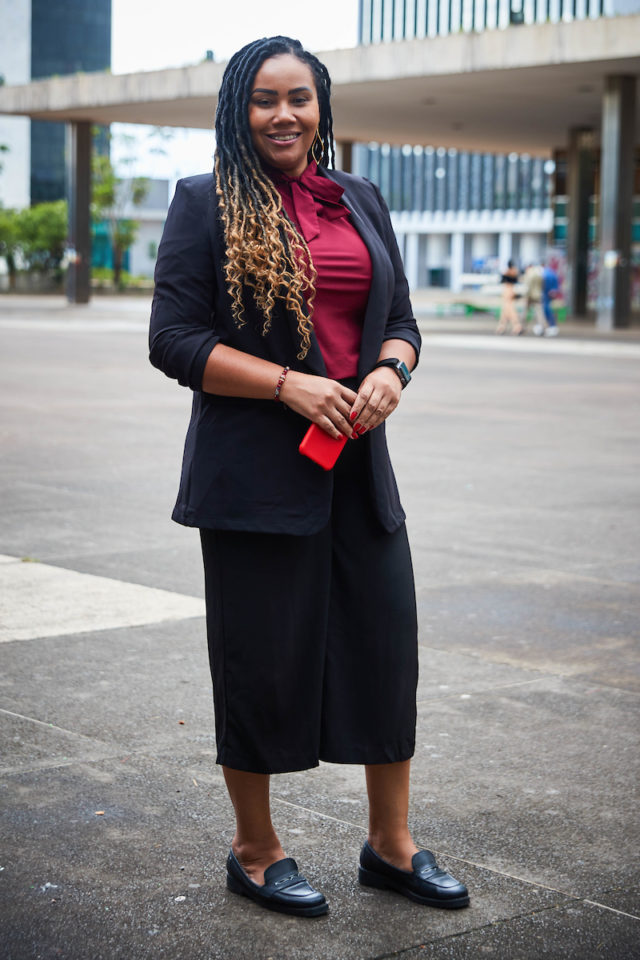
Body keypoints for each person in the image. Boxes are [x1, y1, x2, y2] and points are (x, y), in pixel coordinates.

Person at [149, 35, 469, 919]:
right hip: (253, 478)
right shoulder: (204, 203)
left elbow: (400, 317)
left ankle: (391, 846)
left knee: (384, 649)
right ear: (236, 111)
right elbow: (172, 341)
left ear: (321, 106)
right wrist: (288, 385)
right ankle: (256, 851)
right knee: (261, 660)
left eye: (298, 97)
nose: (282, 114)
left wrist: (390, 371)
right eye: (262, 99)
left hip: (358, 467)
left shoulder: (358, 197)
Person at [533, 262, 561, 337]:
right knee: (546, 309)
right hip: (550, 293)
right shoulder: (550, 272)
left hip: (546, 294)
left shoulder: (545, 274)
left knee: (546, 309)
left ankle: (550, 326)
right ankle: (548, 326)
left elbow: (544, 286)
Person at [495, 259, 522, 335]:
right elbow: (517, 281)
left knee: (509, 310)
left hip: (507, 290)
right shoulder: (515, 272)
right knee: (506, 310)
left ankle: (515, 327)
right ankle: (503, 327)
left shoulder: (506, 272)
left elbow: (501, 281)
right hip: (512, 290)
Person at [522, 262, 544, 331]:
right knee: (539, 312)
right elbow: (542, 284)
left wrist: (526, 296)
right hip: (538, 295)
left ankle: (523, 327)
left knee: (525, 312)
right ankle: (542, 326)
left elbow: (528, 286)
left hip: (530, 296)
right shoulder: (538, 274)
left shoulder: (529, 274)